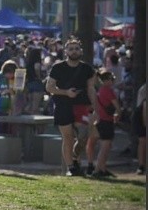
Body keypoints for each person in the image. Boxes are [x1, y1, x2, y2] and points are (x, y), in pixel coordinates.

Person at [45, 38, 98, 176]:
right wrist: (66, 92)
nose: (74, 51)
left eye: (76, 48)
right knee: (68, 137)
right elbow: (49, 87)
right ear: (66, 51)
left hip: (82, 105)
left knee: (83, 136)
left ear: (81, 50)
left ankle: (75, 156)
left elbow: (91, 88)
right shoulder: (58, 67)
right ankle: (71, 168)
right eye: (71, 49)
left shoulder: (87, 68)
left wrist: (96, 107)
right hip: (63, 105)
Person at [85, 70, 121, 177]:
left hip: (100, 120)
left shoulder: (100, 90)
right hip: (106, 120)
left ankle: (102, 169)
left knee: (105, 145)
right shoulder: (108, 91)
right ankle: (97, 170)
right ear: (108, 80)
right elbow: (117, 106)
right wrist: (118, 114)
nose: (113, 81)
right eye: (112, 79)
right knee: (105, 146)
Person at [135, 83, 146, 175]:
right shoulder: (145, 88)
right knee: (142, 141)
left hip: (142, 115)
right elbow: (144, 106)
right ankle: (141, 165)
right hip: (142, 116)